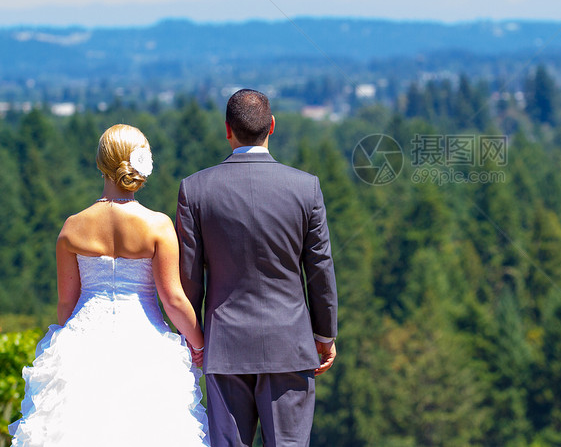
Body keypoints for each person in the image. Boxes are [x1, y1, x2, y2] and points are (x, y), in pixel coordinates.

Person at [9, 124, 209, 446]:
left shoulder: (73, 227)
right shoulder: (158, 225)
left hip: (82, 340)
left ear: (101, 163)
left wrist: (65, 343)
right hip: (146, 344)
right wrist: (198, 344)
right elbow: (172, 298)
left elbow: (66, 304)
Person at [176, 88, 338, 447]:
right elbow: (320, 269)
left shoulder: (195, 189)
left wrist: (195, 339)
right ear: (273, 126)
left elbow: (189, 277)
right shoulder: (305, 188)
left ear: (227, 129)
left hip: (225, 346)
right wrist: (324, 335)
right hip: (289, 344)